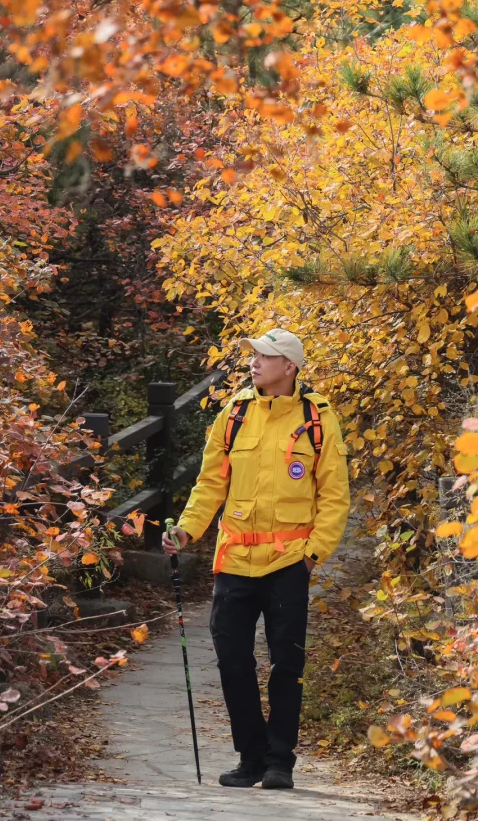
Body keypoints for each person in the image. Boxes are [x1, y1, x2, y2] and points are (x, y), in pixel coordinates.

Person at [162, 328, 350, 790]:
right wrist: (186, 530)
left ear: (289, 367)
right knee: (232, 660)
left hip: (289, 563)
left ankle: (279, 761)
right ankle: (250, 757)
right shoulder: (234, 413)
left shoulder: (318, 417)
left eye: (266, 356)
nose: (254, 362)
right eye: (253, 356)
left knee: (287, 664)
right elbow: (210, 484)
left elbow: (334, 495)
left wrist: (312, 555)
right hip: (234, 560)